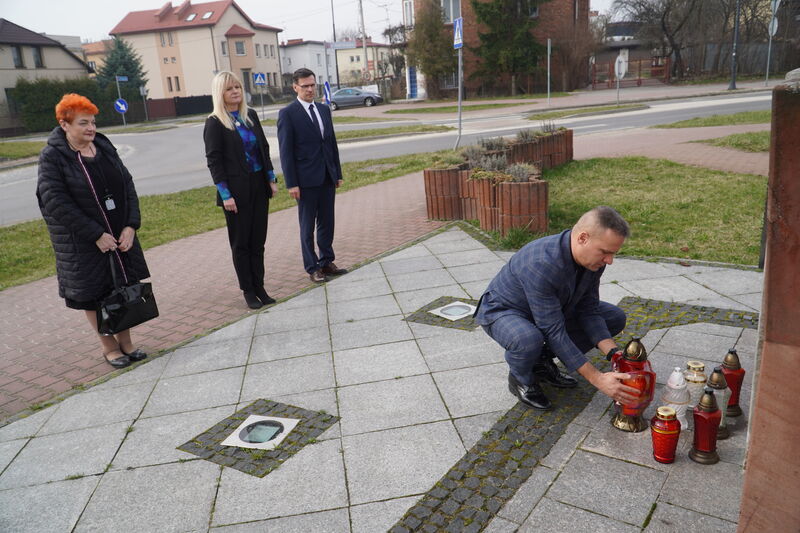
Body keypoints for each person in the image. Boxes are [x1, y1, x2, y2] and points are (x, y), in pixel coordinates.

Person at [474, 206, 639, 410]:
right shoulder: (542, 263)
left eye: (613, 253)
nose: (609, 261)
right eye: (605, 252)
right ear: (582, 238)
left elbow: (588, 309)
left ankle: (541, 361)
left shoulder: (594, 260)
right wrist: (598, 379)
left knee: (613, 317)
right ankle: (521, 378)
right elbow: (553, 329)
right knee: (528, 339)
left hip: (552, 308)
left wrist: (614, 354)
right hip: (504, 311)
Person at [37, 94, 150, 369]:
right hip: (83, 241)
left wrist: (130, 225)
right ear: (64, 125)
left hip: (118, 233)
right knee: (93, 294)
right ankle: (108, 346)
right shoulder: (53, 156)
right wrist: (95, 234)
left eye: (93, 122)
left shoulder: (103, 145)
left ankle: (126, 341)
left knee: (122, 287)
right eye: (83, 123)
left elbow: (127, 184)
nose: (91, 128)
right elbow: (54, 202)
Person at [204, 71, 279, 309]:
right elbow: (214, 161)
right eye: (229, 88)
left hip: (258, 185)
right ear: (220, 93)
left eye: (237, 87)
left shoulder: (251, 116)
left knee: (258, 241)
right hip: (235, 192)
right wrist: (226, 195)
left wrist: (271, 178)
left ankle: (260, 286)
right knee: (241, 243)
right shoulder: (215, 123)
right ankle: (248, 290)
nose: (235, 91)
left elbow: (263, 150)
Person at [277, 68, 347, 283]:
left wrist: (337, 172)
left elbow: (331, 143)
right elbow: (285, 151)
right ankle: (312, 267)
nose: (310, 89)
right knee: (307, 227)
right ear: (295, 87)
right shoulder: (288, 114)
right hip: (305, 181)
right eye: (305, 86)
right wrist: (291, 183)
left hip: (327, 176)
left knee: (327, 222)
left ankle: (327, 262)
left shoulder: (324, 110)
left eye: (312, 85)